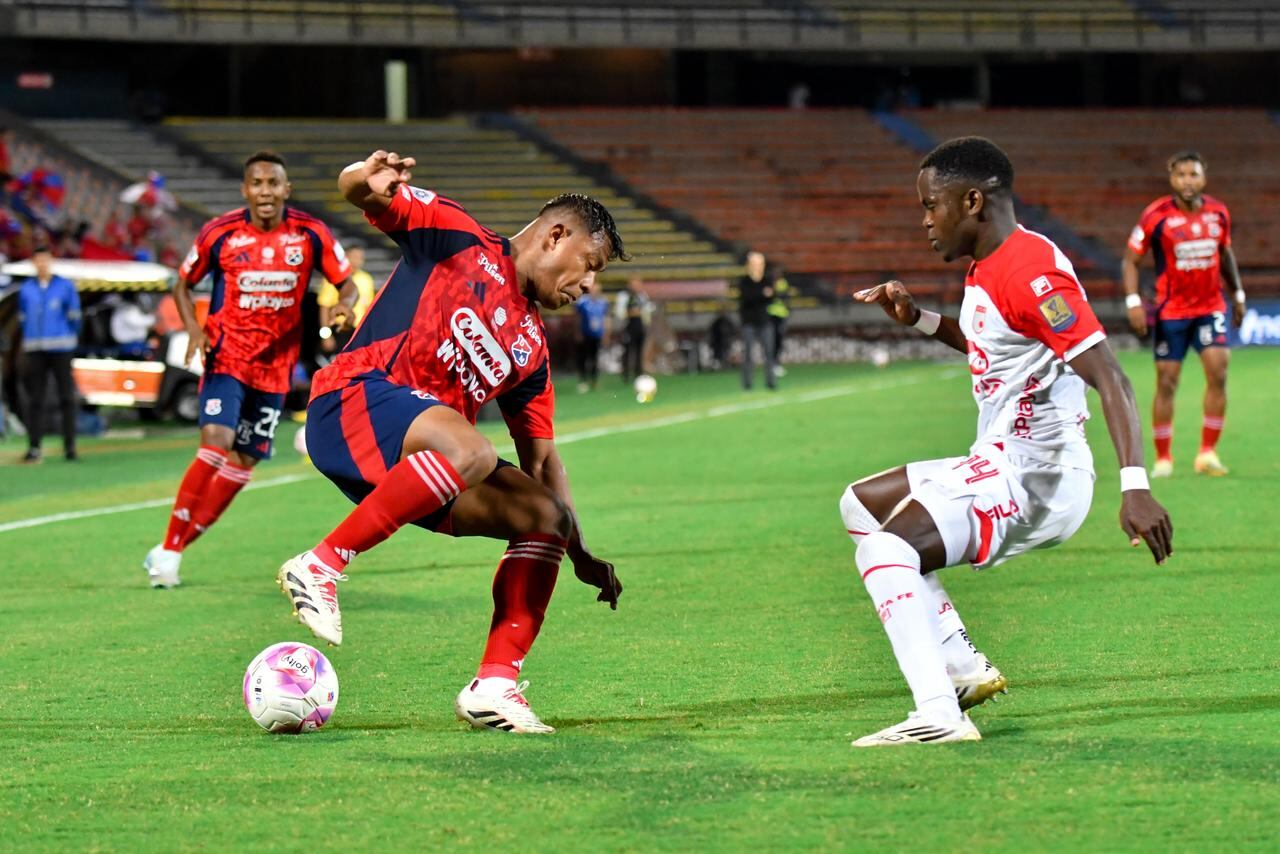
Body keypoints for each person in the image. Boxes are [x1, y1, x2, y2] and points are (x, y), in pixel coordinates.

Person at [278, 150, 628, 735]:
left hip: (414, 466)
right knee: (474, 450)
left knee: (544, 515)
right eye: (589, 264)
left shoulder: (531, 351)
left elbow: (542, 460)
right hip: (350, 404)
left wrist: (578, 548)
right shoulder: (459, 237)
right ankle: (321, 565)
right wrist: (366, 179)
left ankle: (495, 685)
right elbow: (360, 193)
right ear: (556, 235)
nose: (589, 285)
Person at [847, 137, 1172, 747]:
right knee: (860, 504)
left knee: (886, 550)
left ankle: (938, 711)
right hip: (1001, 459)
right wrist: (918, 319)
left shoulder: (1030, 271)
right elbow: (994, 353)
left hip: (1036, 475)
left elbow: (1111, 375)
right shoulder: (989, 266)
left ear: (972, 200)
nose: (923, 220)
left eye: (930, 205)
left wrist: (1137, 487)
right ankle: (965, 669)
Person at [142, 150, 354, 588]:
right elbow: (183, 284)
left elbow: (346, 283)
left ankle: (171, 549)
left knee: (243, 464)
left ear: (286, 190)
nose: (265, 192)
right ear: (245, 190)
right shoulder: (220, 233)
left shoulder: (309, 234)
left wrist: (346, 306)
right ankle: (170, 553)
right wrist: (196, 331)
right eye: (256, 184)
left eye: (273, 183)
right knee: (215, 443)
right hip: (227, 357)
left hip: (276, 368)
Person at [1121, 151, 1243, 478]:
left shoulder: (1218, 214)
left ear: (1204, 178)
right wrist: (1133, 301)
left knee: (1219, 373)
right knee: (1167, 382)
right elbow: (1131, 260)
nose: (1187, 181)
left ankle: (1207, 453)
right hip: (1171, 311)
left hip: (1210, 307)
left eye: (1193, 174)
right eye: (1181, 175)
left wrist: (1238, 294)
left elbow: (1225, 253)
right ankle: (1163, 458)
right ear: (1171, 178)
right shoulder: (1156, 215)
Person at [16, 245, 80, 462]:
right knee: (36, 399)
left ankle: (70, 446)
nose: (42, 264)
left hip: (61, 349)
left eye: (46, 259)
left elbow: (74, 318)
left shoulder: (65, 287)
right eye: (38, 260)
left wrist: (67, 337)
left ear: (51, 261)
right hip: (35, 350)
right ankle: (34, 447)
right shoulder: (26, 289)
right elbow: (23, 318)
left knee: (66, 397)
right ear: (33, 263)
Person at [317, 241, 376, 350]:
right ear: (346, 257)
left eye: (360, 258)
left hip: (357, 331)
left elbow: (369, 308)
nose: (357, 261)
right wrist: (326, 335)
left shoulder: (367, 279)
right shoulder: (335, 278)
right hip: (338, 329)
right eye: (354, 257)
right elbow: (324, 307)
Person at [737, 250, 777, 390]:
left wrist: (762, 296)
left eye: (760, 263)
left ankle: (771, 382)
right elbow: (747, 298)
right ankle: (747, 384)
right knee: (748, 354)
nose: (758, 266)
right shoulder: (744, 282)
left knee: (769, 353)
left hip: (765, 322)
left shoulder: (767, 280)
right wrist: (762, 294)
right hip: (748, 323)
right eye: (755, 263)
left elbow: (772, 297)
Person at [614, 277, 651, 382]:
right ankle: (625, 375)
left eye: (639, 284)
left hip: (640, 326)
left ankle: (638, 374)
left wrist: (646, 322)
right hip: (628, 327)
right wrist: (632, 313)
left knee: (639, 351)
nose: (637, 287)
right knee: (627, 351)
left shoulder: (642, 296)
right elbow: (619, 313)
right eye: (635, 284)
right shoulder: (623, 296)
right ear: (629, 285)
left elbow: (647, 311)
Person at [574, 288, 609, 392]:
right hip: (585, 334)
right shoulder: (582, 302)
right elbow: (577, 318)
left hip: (597, 335)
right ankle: (583, 380)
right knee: (583, 358)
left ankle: (594, 381)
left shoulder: (603, 302)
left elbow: (605, 318)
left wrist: (606, 334)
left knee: (595, 358)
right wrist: (577, 332)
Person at [766, 267, 792, 374]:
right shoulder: (769, 283)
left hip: (781, 315)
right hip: (771, 315)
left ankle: (776, 362)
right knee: (771, 339)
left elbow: (784, 296)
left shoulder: (783, 283)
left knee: (779, 340)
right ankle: (772, 363)